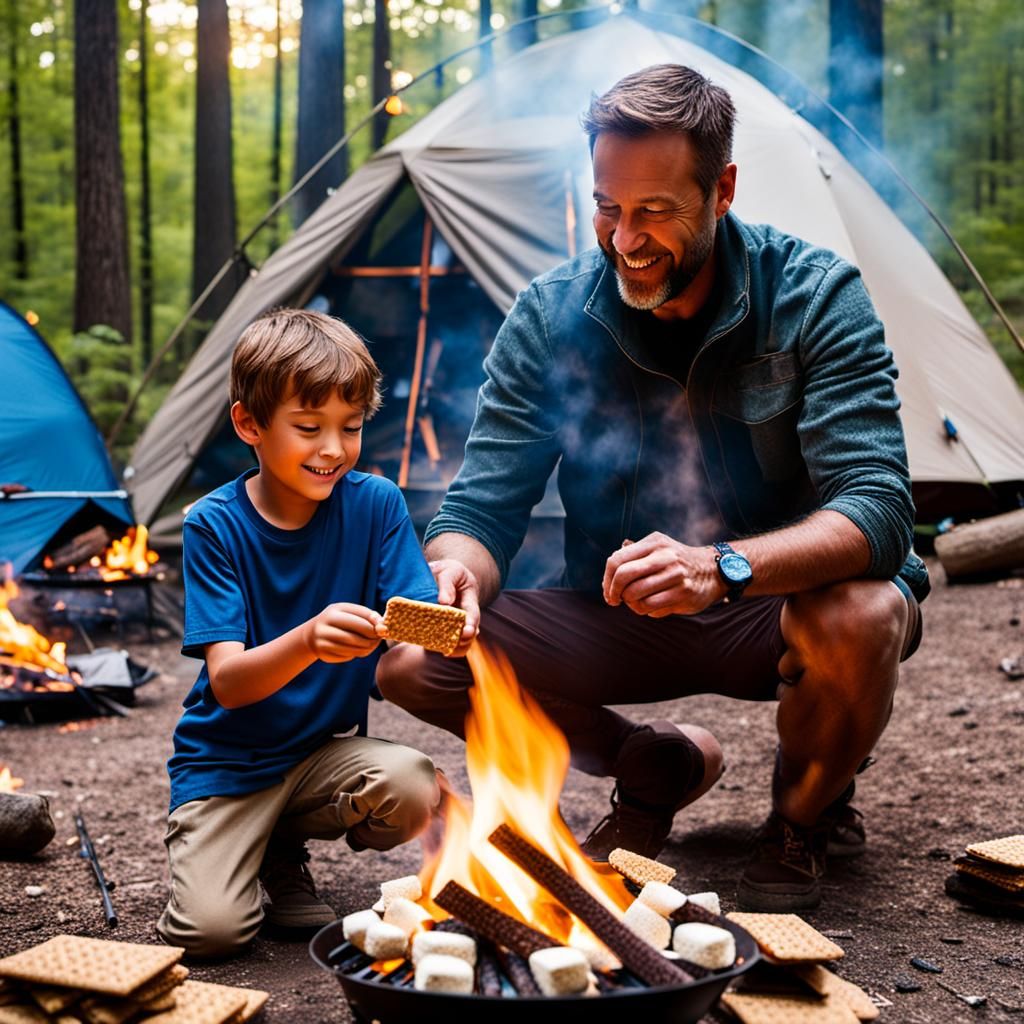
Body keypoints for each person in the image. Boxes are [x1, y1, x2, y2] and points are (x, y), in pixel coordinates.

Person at [377, 64, 928, 913]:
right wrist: (455, 570)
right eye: (608, 207)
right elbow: (479, 509)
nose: (624, 239)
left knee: (864, 612)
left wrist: (722, 567)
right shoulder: (549, 314)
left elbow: (881, 511)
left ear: (722, 191)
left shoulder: (816, 297)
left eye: (655, 212)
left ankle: (804, 813)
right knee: (417, 652)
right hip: (616, 613)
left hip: (771, 607)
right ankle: (647, 759)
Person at [158, 309, 440, 957]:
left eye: (351, 427)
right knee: (211, 934)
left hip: (317, 758)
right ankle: (238, 848)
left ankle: (280, 848)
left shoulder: (376, 505)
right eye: (309, 428)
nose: (334, 449)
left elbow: (416, 630)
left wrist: (451, 628)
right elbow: (228, 683)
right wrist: (311, 639)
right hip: (227, 766)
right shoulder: (213, 526)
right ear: (249, 424)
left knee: (413, 785)